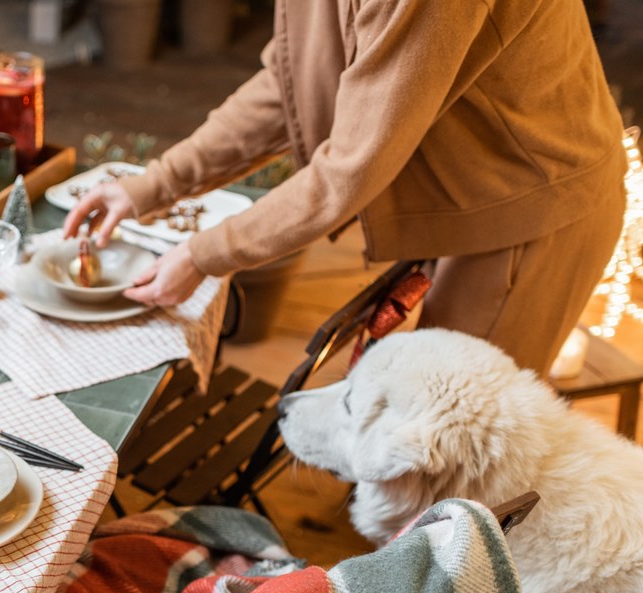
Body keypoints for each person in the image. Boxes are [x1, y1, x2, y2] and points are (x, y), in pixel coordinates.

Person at [64, 0, 627, 373]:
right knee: (424, 429)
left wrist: (205, 252)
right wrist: (152, 185)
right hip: (472, 192)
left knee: (457, 454)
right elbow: (286, 85)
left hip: (535, 203)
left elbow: (354, 165)